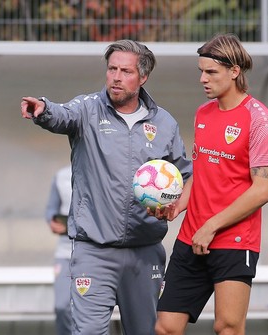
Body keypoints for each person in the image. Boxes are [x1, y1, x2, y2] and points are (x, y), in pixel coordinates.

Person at [21, 39, 192, 335]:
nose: (115, 76)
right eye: (112, 68)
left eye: (125, 71)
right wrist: (43, 109)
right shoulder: (87, 110)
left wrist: (176, 206)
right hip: (93, 251)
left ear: (143, 77)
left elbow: (187, 175)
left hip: (145, 252)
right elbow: (61, 115)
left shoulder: (164, 123)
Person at [154, 33, 268, 335]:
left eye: (210, 72)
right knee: (165, 327)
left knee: (228, 327)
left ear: (234, 71)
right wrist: (177, 205)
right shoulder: (203, 114)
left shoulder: (259, 120)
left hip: (234, 241)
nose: (202, 79)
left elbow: (262, 190)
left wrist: (212, 226)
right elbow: (204, 172)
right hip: (191, 237)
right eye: (201, 71)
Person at [45, 165, 73, 334]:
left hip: (97, 253)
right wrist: (52, 221)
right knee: (62, 306)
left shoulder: (104, 171)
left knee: (93, 310)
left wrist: (71, 226)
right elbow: (51, 209)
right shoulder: (61, 176)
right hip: (65, 253)